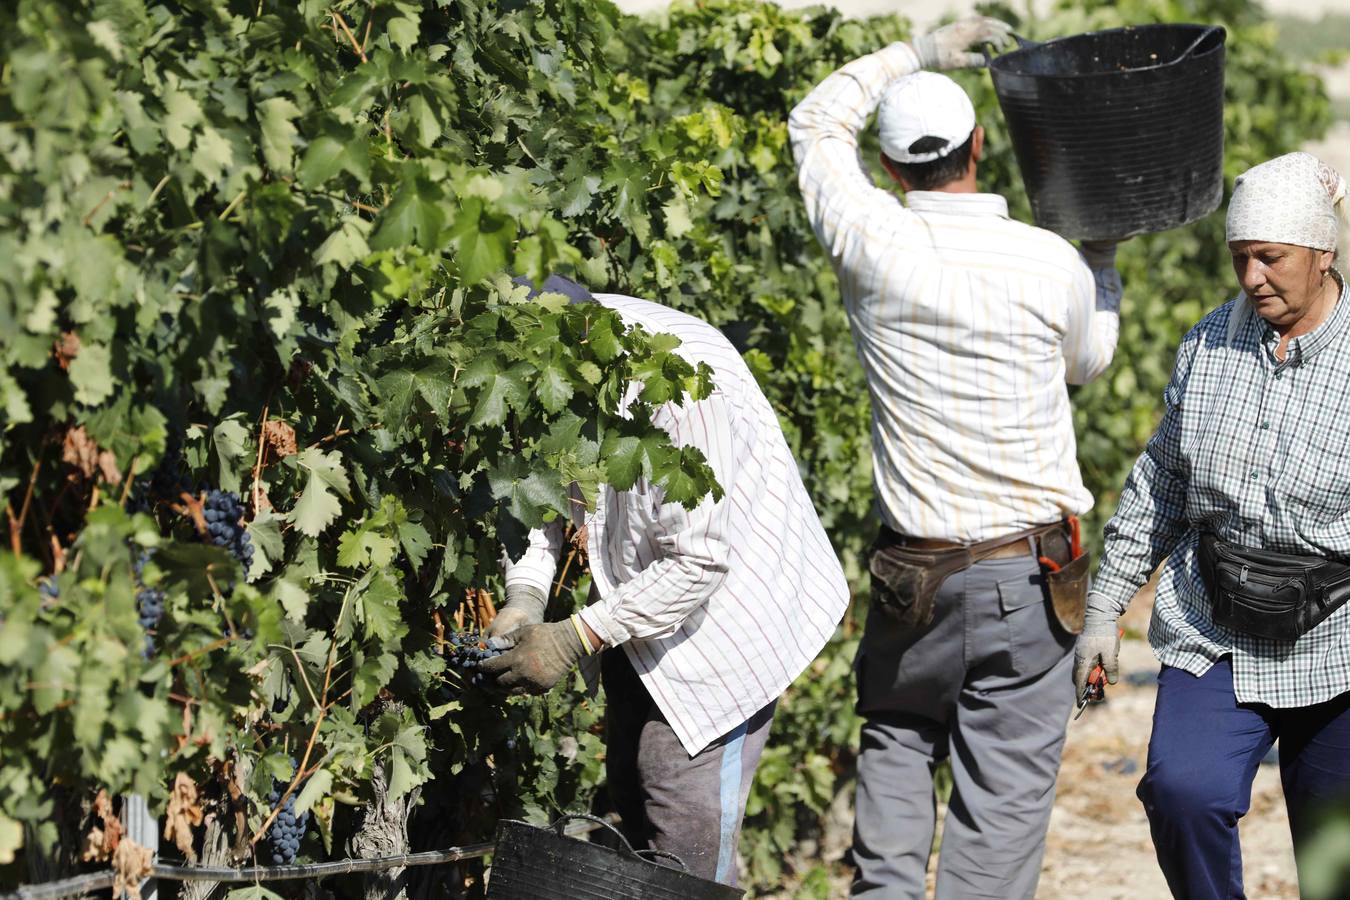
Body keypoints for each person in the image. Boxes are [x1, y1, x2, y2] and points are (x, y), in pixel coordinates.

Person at [789, 17, 1127, 899]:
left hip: (915, 579)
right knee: (1004, 804)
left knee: (898, 737)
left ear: (894, 169)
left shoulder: (872, 240)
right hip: (1031, 574)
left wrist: (921, 49)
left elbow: (816, 123)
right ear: (981, 145)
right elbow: (1090, 364)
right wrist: (1104, 263)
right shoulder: (1050, 261)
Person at [480, 275, 850, 887]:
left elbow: (700, 560)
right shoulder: (532, 360)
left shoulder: (672, 388)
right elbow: (535, 493)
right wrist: (524, 596)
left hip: (729, 618)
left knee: (685, 850)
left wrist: (572, 640)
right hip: (638, 597)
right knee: (630, 816)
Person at [1076, 151, 1350, 899]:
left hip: (1335, 639)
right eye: (1240, 259)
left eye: (1271, 257)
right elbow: (1160, 484)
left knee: (1335, 859)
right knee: (1181, 792)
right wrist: (1104, 611)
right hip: (1215, 626)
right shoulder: (1208, 345)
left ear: (1323, 255)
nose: (1252, 276)